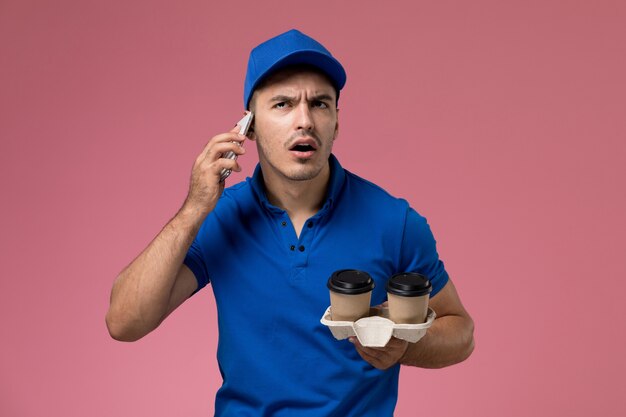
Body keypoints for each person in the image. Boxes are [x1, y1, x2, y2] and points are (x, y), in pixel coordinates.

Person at [106, 29, 474, 417]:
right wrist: (193, 209)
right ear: (248, 125)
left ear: (336, 121)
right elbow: (125, 322)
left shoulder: (394, 221)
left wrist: (404, 345)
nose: (305, 120)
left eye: (319, 104)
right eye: (282, 104)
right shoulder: (220, 217)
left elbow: (460, 332)